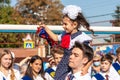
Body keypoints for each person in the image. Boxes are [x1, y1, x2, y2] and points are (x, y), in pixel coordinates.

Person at [38, 5, 94, 80]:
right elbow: (55, 38)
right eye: (63, 24)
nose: (63, 26)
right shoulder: (65, 35)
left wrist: (86, 68)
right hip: (64, 65)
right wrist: (46, 28)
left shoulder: (82, 38)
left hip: (75, 66)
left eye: (65, 24)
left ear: (74, 25)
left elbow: (90, 55)